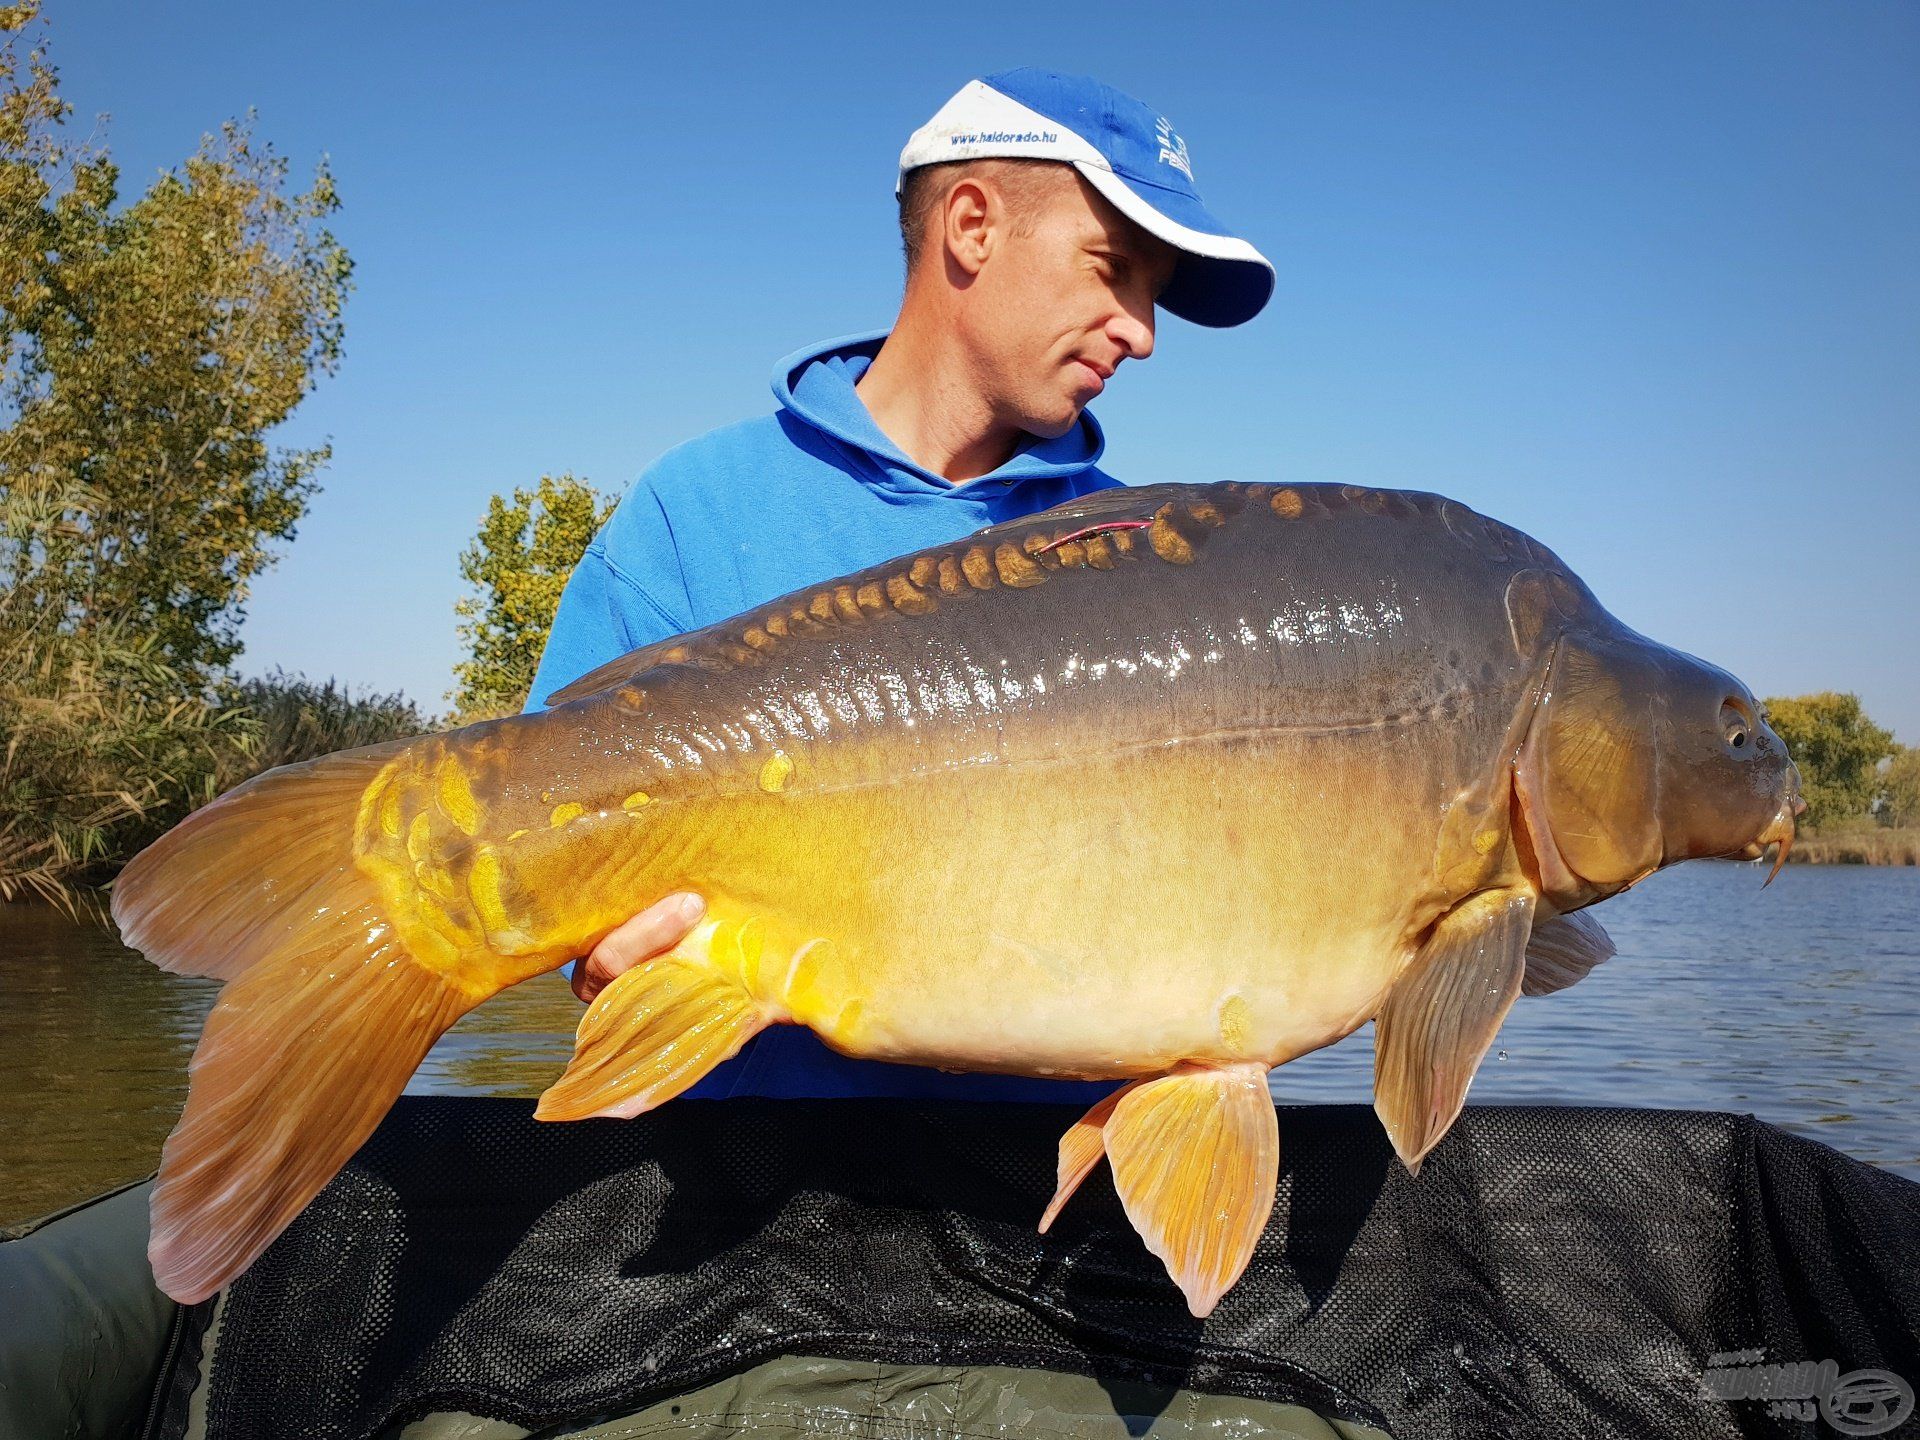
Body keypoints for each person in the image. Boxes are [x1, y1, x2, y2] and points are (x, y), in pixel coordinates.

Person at [526, 67, 1272, 1100]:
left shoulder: (1151, 567)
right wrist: (599, 955)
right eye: (1114, 270)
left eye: (1153, 297)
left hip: (1038, 1237)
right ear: (972, 226)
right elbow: (550, 872)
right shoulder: (697, 512)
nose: (1142, 331)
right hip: (743, 1220)